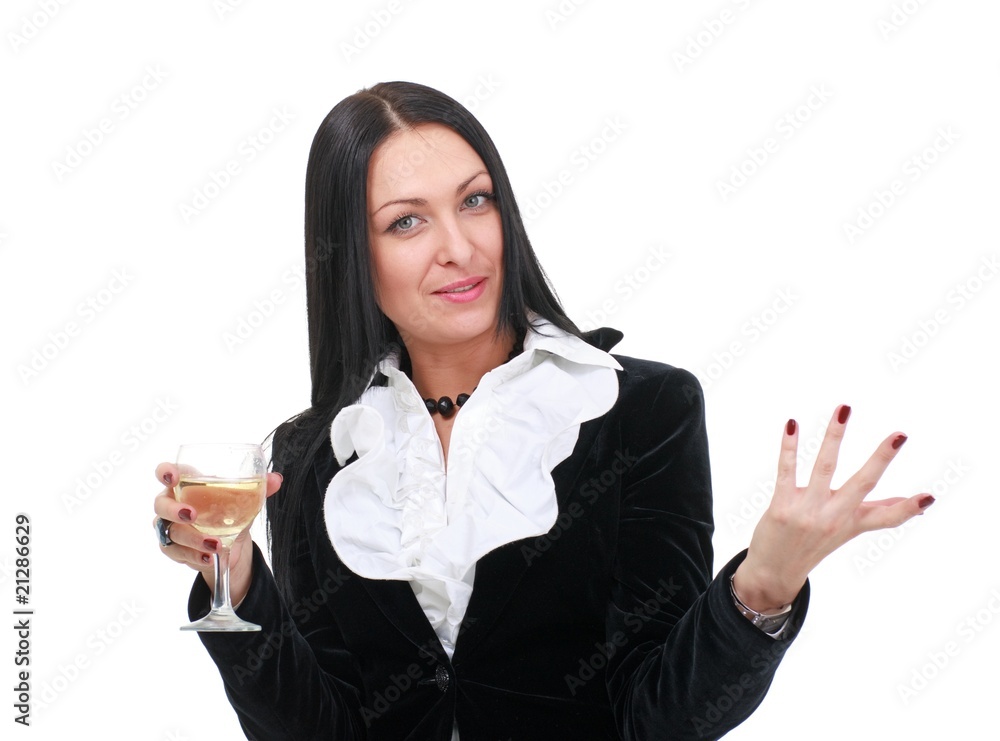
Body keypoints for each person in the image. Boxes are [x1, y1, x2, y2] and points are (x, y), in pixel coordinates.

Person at [153, 81, 933, 740]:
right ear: (353, 254)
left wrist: (762, 586)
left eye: (476, 201)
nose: (460, 247)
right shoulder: (314, 454)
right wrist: (240, 583)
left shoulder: (641, 411)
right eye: (406, 221)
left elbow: (659, 717)